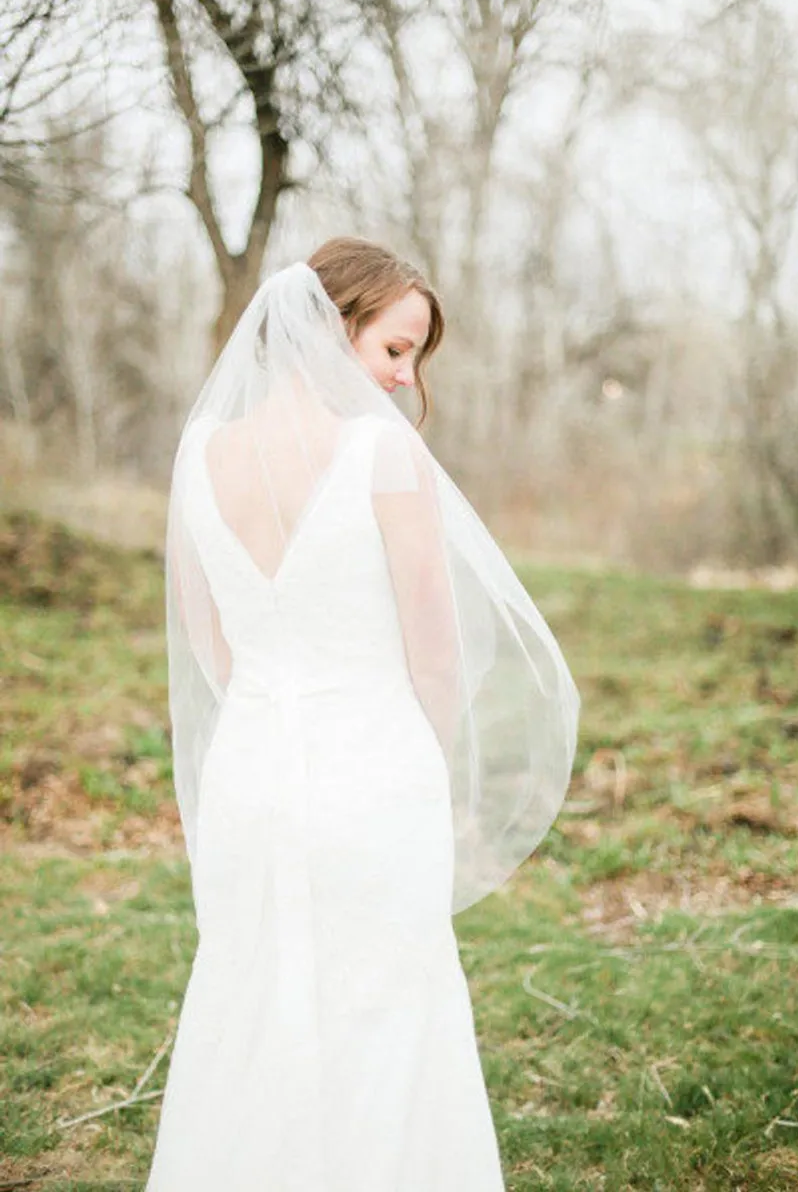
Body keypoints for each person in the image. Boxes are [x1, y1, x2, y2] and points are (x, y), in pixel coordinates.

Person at [144, 236, 580, 1190]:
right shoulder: (381, 452)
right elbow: (437, 654)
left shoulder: (201, 453)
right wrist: (414, 758)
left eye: (415, 356)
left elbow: (208, 641)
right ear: (327, 328)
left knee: (250, 1001)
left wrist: (274, 701)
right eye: (393, 348)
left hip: (250, 775)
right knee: (385, 1009)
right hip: (371, 772)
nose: (404, 376)